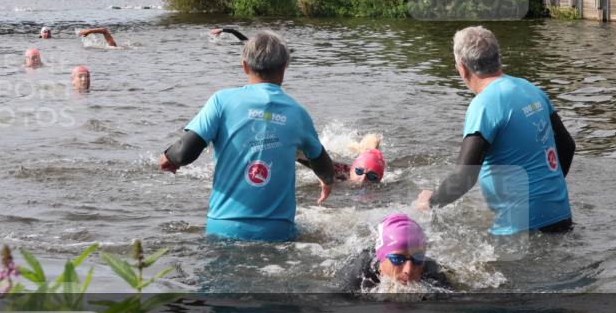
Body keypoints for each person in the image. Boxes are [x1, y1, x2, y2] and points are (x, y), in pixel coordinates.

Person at [158, 30, 335, 241]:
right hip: (277, 232)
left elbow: (184, 153)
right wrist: (327, 181)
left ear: (244, 66)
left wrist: (168, 158)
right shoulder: (298, 113)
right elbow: (322, 163)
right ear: (284, 67)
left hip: (224, 228)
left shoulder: (221, 101)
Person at [415, 26, 575, 235]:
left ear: (462, 68)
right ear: (498, 59)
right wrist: (545, 194)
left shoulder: (484, 105)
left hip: (521, 229)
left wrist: (431, 202)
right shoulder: (531, 89)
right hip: (561, 216)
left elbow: (464, 177)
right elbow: (568, 146)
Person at [335, 213, 452, 293]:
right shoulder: (357, 274)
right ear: (380, 258)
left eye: (417, 259)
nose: (409, 270)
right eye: (397, 259)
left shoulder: (433, 273)